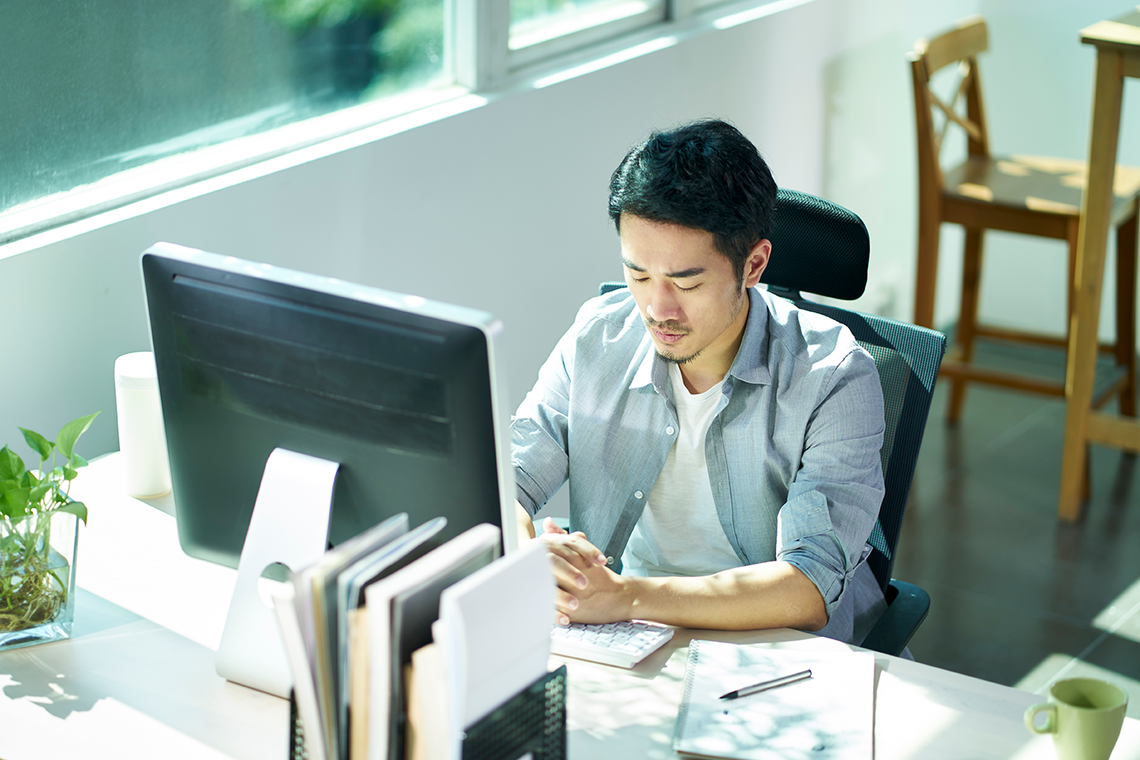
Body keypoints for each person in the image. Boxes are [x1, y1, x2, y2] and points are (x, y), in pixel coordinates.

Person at [511, 119, 887, 645]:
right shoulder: (598, 335)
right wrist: (522, 548)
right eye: (639, 275)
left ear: (753, 264)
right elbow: (508, 475)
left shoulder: (834, 376)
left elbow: (808, 587)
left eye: (686, 282)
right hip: (628, 630)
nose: (656, 308)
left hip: (774, 646)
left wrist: (628, 596)